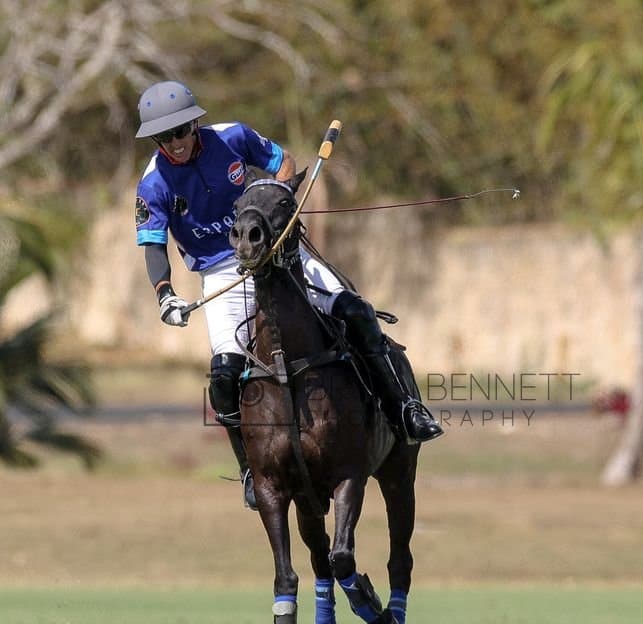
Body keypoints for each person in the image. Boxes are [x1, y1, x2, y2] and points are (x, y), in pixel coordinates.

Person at [133, 80, 443, 510]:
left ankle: (404, 410)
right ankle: (250, 468)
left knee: (354, 311)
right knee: (223, 378)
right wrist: (164, 293)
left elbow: (283, 164)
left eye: (180, 131)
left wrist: (279, 205)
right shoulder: (153, 185)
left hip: (276, 252)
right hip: (223, 273)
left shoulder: (232, 137)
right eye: (162, 137)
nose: (174, 143)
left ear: (194, 123)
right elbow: (153, 244)